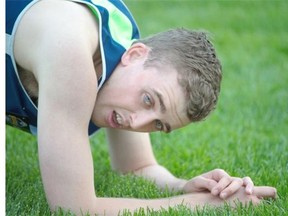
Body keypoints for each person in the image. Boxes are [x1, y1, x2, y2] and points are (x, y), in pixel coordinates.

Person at [6, 0, 276, 215]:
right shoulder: (71, 52)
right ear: (135, 55)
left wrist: (189, 187)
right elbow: (74, 209)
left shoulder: (120, 64)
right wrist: (201, 206)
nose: (136, 124)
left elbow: (137, 167)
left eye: (158, 124)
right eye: (149, 100)